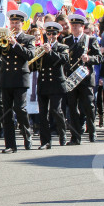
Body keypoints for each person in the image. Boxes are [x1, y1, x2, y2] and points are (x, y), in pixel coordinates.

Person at [0, 10, 36, 153]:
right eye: (12, 22)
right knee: (7, 112)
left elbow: (30, 55)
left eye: (17, 23)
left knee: (20, 109)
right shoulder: (4, 38)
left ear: (22, 24)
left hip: (20, 78)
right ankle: (10, 144)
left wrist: (15, 44)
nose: (14, 25)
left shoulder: (28, 38)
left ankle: (27, 135)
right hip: (6, 78)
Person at [63, 14, 103, 145]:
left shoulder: (89, 40)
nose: (74, 28)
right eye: (72, 26)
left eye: (77, 26)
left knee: (88, 106)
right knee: (72, 108)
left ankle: (92, 131)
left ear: (82, 27)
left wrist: (89, 59)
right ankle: (75, 136)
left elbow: (99, 58)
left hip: (85, 78)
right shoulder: (66, 41)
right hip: (71, 78)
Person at [33, 22, 69, 150]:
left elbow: (63, 60)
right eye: (48, 33)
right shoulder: (42, 47)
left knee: (56, 110)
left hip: (56, 84)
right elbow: (34, 65)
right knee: (42, 113)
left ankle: (62, 133)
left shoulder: (62, 47)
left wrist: (50, 52)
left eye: (53, 33)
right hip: (43, 83)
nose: (51, 36)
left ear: (58, 34)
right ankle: (45, 141)